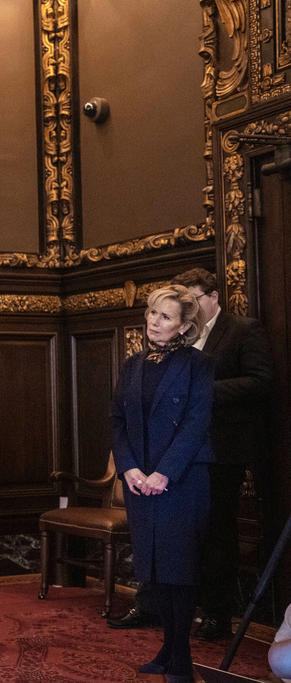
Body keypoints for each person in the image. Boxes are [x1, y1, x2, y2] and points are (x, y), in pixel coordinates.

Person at [108, 268, 276, 640]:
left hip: (218, 451)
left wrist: (195, 392)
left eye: (193, 299)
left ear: (212, 297)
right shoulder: (140, 360)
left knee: (214, 533)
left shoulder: (242, 330)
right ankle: (152, 605)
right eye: (156, 311)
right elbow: (119, 415)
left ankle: (217, 614)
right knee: (158, 533)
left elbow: (260, 382)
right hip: (159, 454)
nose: (162, 317)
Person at [110, 285, 213, 682]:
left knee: (179, 569)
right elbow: (117, 420)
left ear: (184, 326)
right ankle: (168, 648)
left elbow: (195, 423)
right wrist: (130, 469)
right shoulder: (132, 364)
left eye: (166, 317)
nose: (155, 322)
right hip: (140, 483)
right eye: (153, 313)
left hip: (181, 480)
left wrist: (164, 472)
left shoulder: (199, 365)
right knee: (154, 569)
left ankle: (181, 657)